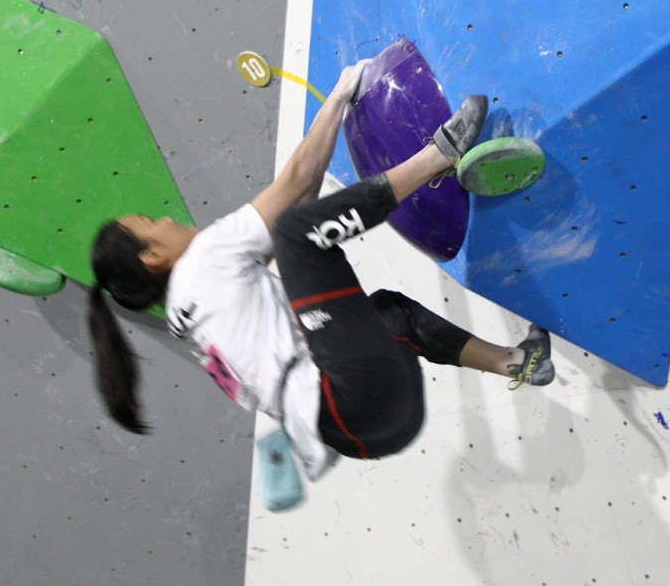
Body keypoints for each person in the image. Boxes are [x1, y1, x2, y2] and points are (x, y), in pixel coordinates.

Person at [86, 63, 554, 479]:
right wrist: (341, 93)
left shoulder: (189, 321)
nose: (167, 220)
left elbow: (301, 214)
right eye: (151, 222)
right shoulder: (205, 260)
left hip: (372, 434)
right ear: (151, 256)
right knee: (294, 232)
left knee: (389, 313)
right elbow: (297, 184)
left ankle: (521, 362)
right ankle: (439, 156)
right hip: (356, 393)